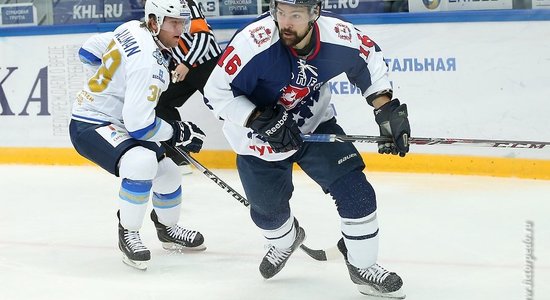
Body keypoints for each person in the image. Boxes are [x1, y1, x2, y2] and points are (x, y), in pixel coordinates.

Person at [203, 0, 409, 298]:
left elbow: (369, 58)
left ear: (315, 13)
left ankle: (364, 267)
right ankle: (285, 240)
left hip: (315, 126)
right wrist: (258, 118)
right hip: (257, 138)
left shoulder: (337, 35)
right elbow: (216, 92)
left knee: (357, 192)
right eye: (280, 12)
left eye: (295, 15)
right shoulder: (254, 42)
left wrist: (385, 108)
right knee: (269, 216)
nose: (284, 22)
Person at [69, 0, 207, 270]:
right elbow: (141, 127)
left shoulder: (132, 27)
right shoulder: (150, 66)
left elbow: (87, 51)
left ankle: (167, 229)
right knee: (141, 162)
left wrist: (114, 80)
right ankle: (128, 233)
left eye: (182, 22)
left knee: (168, 172)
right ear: (154, 21)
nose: (180, 29)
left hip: (118, 120)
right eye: (173, 22)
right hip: (91, 123)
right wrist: (179, 131)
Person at [155, 0, 223, 169]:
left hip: (208, 65)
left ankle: (260, 144)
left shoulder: (188, 4)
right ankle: (179, 157)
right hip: (181, 67)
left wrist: (186, 63)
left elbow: (204, 37)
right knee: (161, 102)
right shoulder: (157, 8)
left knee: (227, 107)